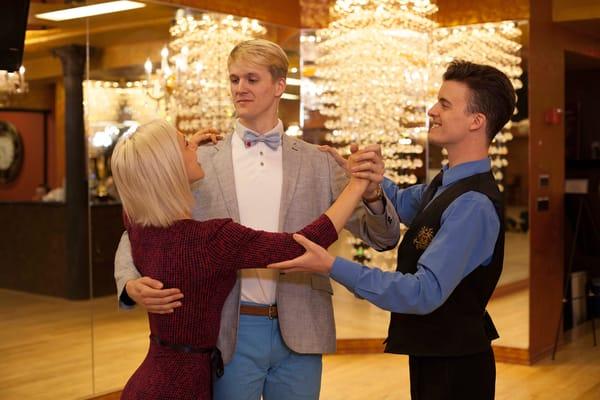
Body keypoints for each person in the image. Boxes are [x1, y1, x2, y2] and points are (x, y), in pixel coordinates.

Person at [114, 39, 400, 400]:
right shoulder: (201, 162)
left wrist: (372, 193)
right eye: (234, 80)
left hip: (303, 323)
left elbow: (384, 238)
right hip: (228, 330)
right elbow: (143, 225)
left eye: (251, 79)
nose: (239, 89)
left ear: (280, 85)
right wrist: (129, 282)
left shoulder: (321, 161)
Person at [269, 60, 517, 400]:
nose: (432, 111)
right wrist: (364, 175)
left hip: (456, 368)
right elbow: (398, 201)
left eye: (445, 104)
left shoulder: (473, 204)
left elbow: (422, 292)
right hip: (436, 355)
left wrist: (331, 265)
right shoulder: (445, 184)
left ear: (477, 121)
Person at [112, 119, 371, 399]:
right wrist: (356, 185)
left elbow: (137, 213)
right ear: (169, 167)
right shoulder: (213, 239)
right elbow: (298, 246)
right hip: (184, 386)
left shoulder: (140, 224)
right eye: (186, 144)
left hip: (151, 382)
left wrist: (177, 152)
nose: (196, 148)